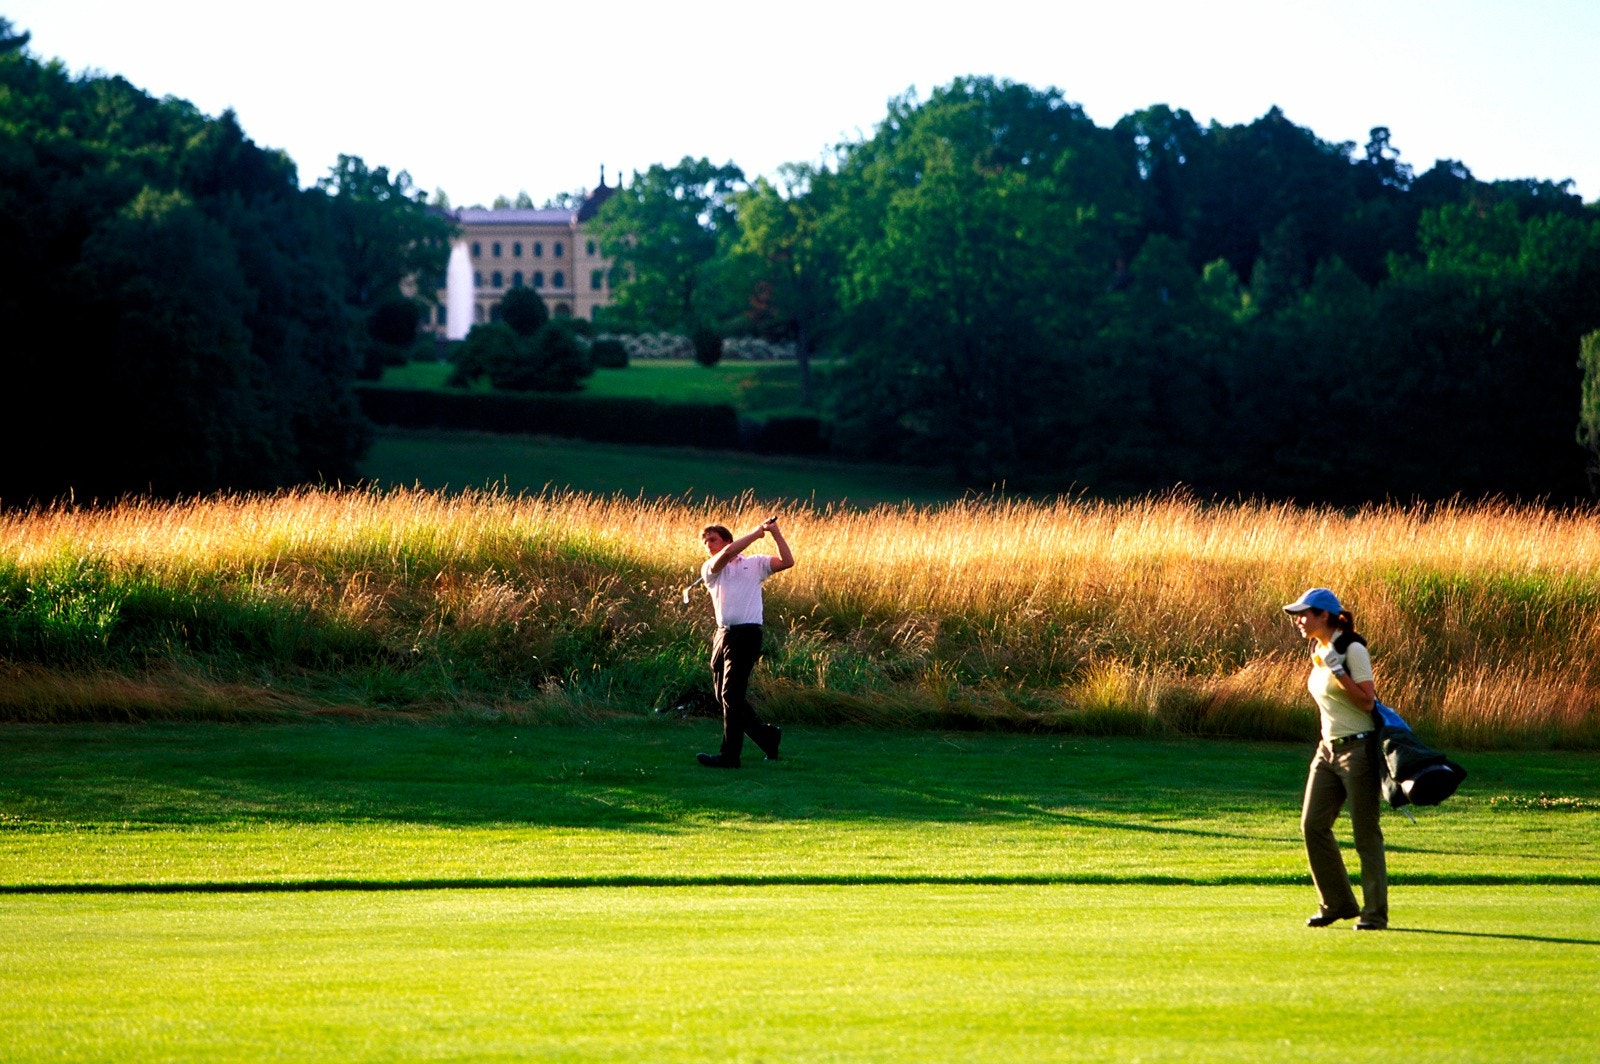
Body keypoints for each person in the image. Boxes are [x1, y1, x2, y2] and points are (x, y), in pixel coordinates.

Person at [1284, 587, 1387, 930]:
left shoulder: (1351, 649)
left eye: (1305, 614)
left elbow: (1367, 702)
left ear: (1323, 615)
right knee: (1312, 825)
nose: (1299, 621)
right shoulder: (1319, 648)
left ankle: (1374, 914)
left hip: (1358, 750)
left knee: (1364, 833)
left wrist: (1339, 672)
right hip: (1327, 750)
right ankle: (1337, 903)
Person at [694, 517, 793, 768]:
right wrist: (757, 532)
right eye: (705, 542)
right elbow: (728, 553)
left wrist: (775, 534)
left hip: (747, 634)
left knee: (730, 694)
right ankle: (767, 737)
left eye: (713, 539)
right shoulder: (710, 568)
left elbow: (787, 562)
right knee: (724, 696)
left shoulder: (755, 563)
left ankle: (730, 756)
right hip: (722, 635)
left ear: (727, 538)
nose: (709, 545)